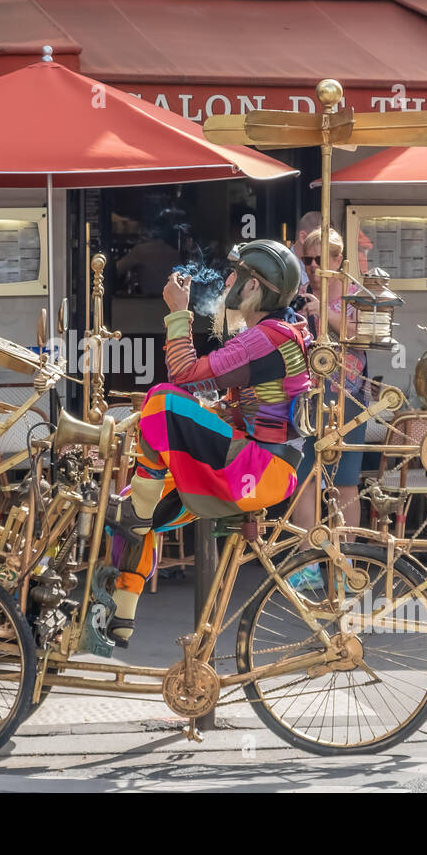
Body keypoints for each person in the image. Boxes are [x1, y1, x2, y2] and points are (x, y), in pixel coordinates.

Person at [105, 239, 312, 643]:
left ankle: (141, 508)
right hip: (255, 463)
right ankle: (119, 621)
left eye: (235, 274)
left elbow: (183, 373)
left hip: (259, 467)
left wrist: (178, 312)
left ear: (253, 288)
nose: (227, 281)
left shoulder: (268, 337)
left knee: (162, 398)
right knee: (129, 517)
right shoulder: (275, 332)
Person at [291, 226, 365, 540]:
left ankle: (347, 557)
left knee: (345, 482)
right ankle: (306, 562)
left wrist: (323, 313)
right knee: (305, 477)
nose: (312, 266)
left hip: (348, 397)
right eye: (307, 259)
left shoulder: (355, 295)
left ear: (338, 260)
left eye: (319, 259)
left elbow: (361, 336)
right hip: (306, 396)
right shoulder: (298, 294)